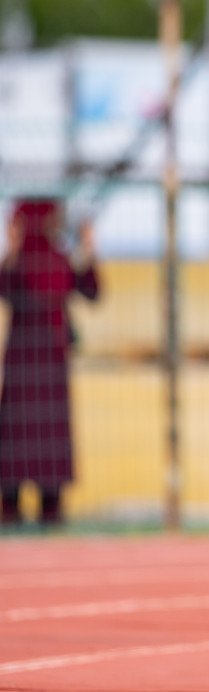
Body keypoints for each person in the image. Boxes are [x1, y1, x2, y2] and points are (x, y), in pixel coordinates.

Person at [0, 199, 99, 527]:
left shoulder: (60, 258)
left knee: (49, 436)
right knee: (16, 434)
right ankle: (10, 504)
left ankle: (51, 503)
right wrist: (10, 249)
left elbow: (92, 290)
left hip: (52, 363)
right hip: (22, 363)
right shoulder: (20, 260)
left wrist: (89, 249)